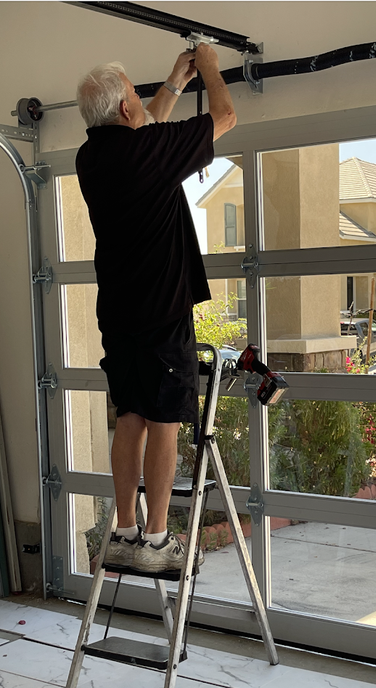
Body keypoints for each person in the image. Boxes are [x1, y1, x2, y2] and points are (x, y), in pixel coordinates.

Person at [75, 45, 236, 575]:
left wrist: (172, 82)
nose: (142, 103)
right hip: (163, 312)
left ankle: (123, 531)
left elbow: (145, 132)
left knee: (131, 417)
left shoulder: (91, 158)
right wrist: (209, 65)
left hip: (118, 314)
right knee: (164, 419)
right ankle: (158, 540)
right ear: (125, 108)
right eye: (136, 97)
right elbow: (225, 117)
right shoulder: (145, 153)